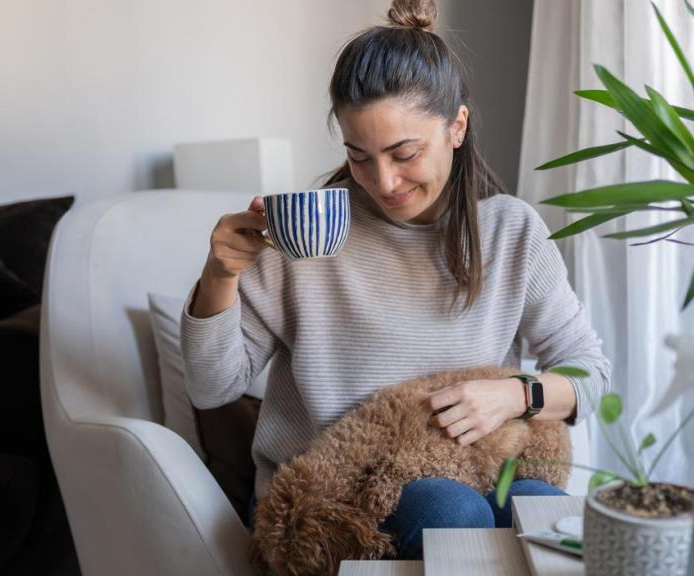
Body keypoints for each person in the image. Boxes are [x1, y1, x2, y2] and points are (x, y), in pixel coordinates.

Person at [179, 0, 610, 560]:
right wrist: (220, 274)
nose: (383, 181)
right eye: (359, 157)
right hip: (337, 503)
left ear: (457, 126)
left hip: (472, 470)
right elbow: (214, 388)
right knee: (452, 512)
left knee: (534, 501)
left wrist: (514, 395)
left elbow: (589, 373)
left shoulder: (510, 232)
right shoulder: (302, 240)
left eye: (404, 153)